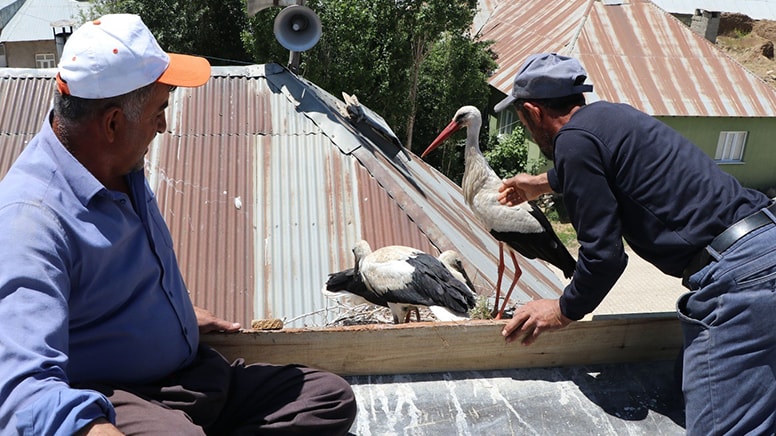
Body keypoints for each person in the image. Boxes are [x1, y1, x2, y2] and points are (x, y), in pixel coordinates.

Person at [0, 14, 356, 435]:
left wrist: (171, 314)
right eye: (159, 111)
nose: (163, 126)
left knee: (327, 397)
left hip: (189, 380)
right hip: (120, 397)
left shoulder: (115, 163)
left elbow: (116, 279)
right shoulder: (30, 220)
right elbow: (23, 394)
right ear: (112, 123)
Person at [494, 52, 776, 434]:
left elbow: (604, 256)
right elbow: (604, 164)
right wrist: (540, 183)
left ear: (533, 111)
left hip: (742, 282)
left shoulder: (573, 143)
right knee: (686, 389)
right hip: (765, 243)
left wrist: (562, 309)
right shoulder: (615, 116)